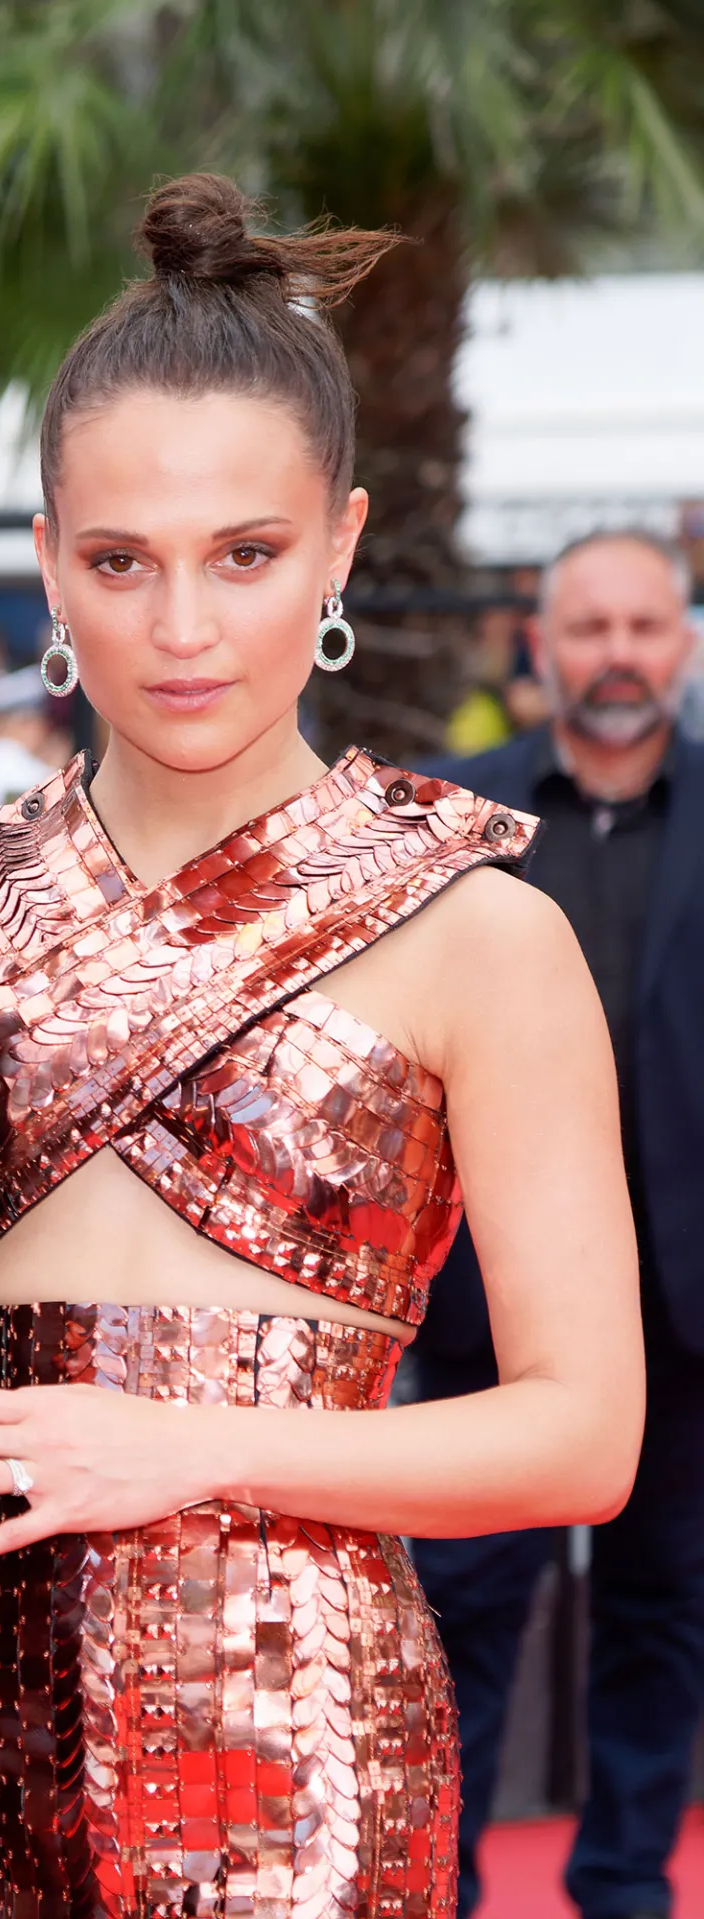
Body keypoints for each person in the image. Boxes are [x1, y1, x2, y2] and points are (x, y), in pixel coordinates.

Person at [0, 175, 641, 1915]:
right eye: (119, 561)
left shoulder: (477, 928)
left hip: (299, 1754)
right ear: (45, 561)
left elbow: (579, 1434)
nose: (180, 628)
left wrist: (186, 1444)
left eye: (242, 554)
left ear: (337, 545)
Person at [412, 529, 704, 1919]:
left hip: (686, 1317)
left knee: (662, 1614)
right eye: (587, 627)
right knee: (462, 1616)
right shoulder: (448, 818)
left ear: (681, 644)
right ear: (538, 646)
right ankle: (443, 1887)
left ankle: (624, 1885)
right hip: (483, 1313)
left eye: (641, 626)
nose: (616, 655)